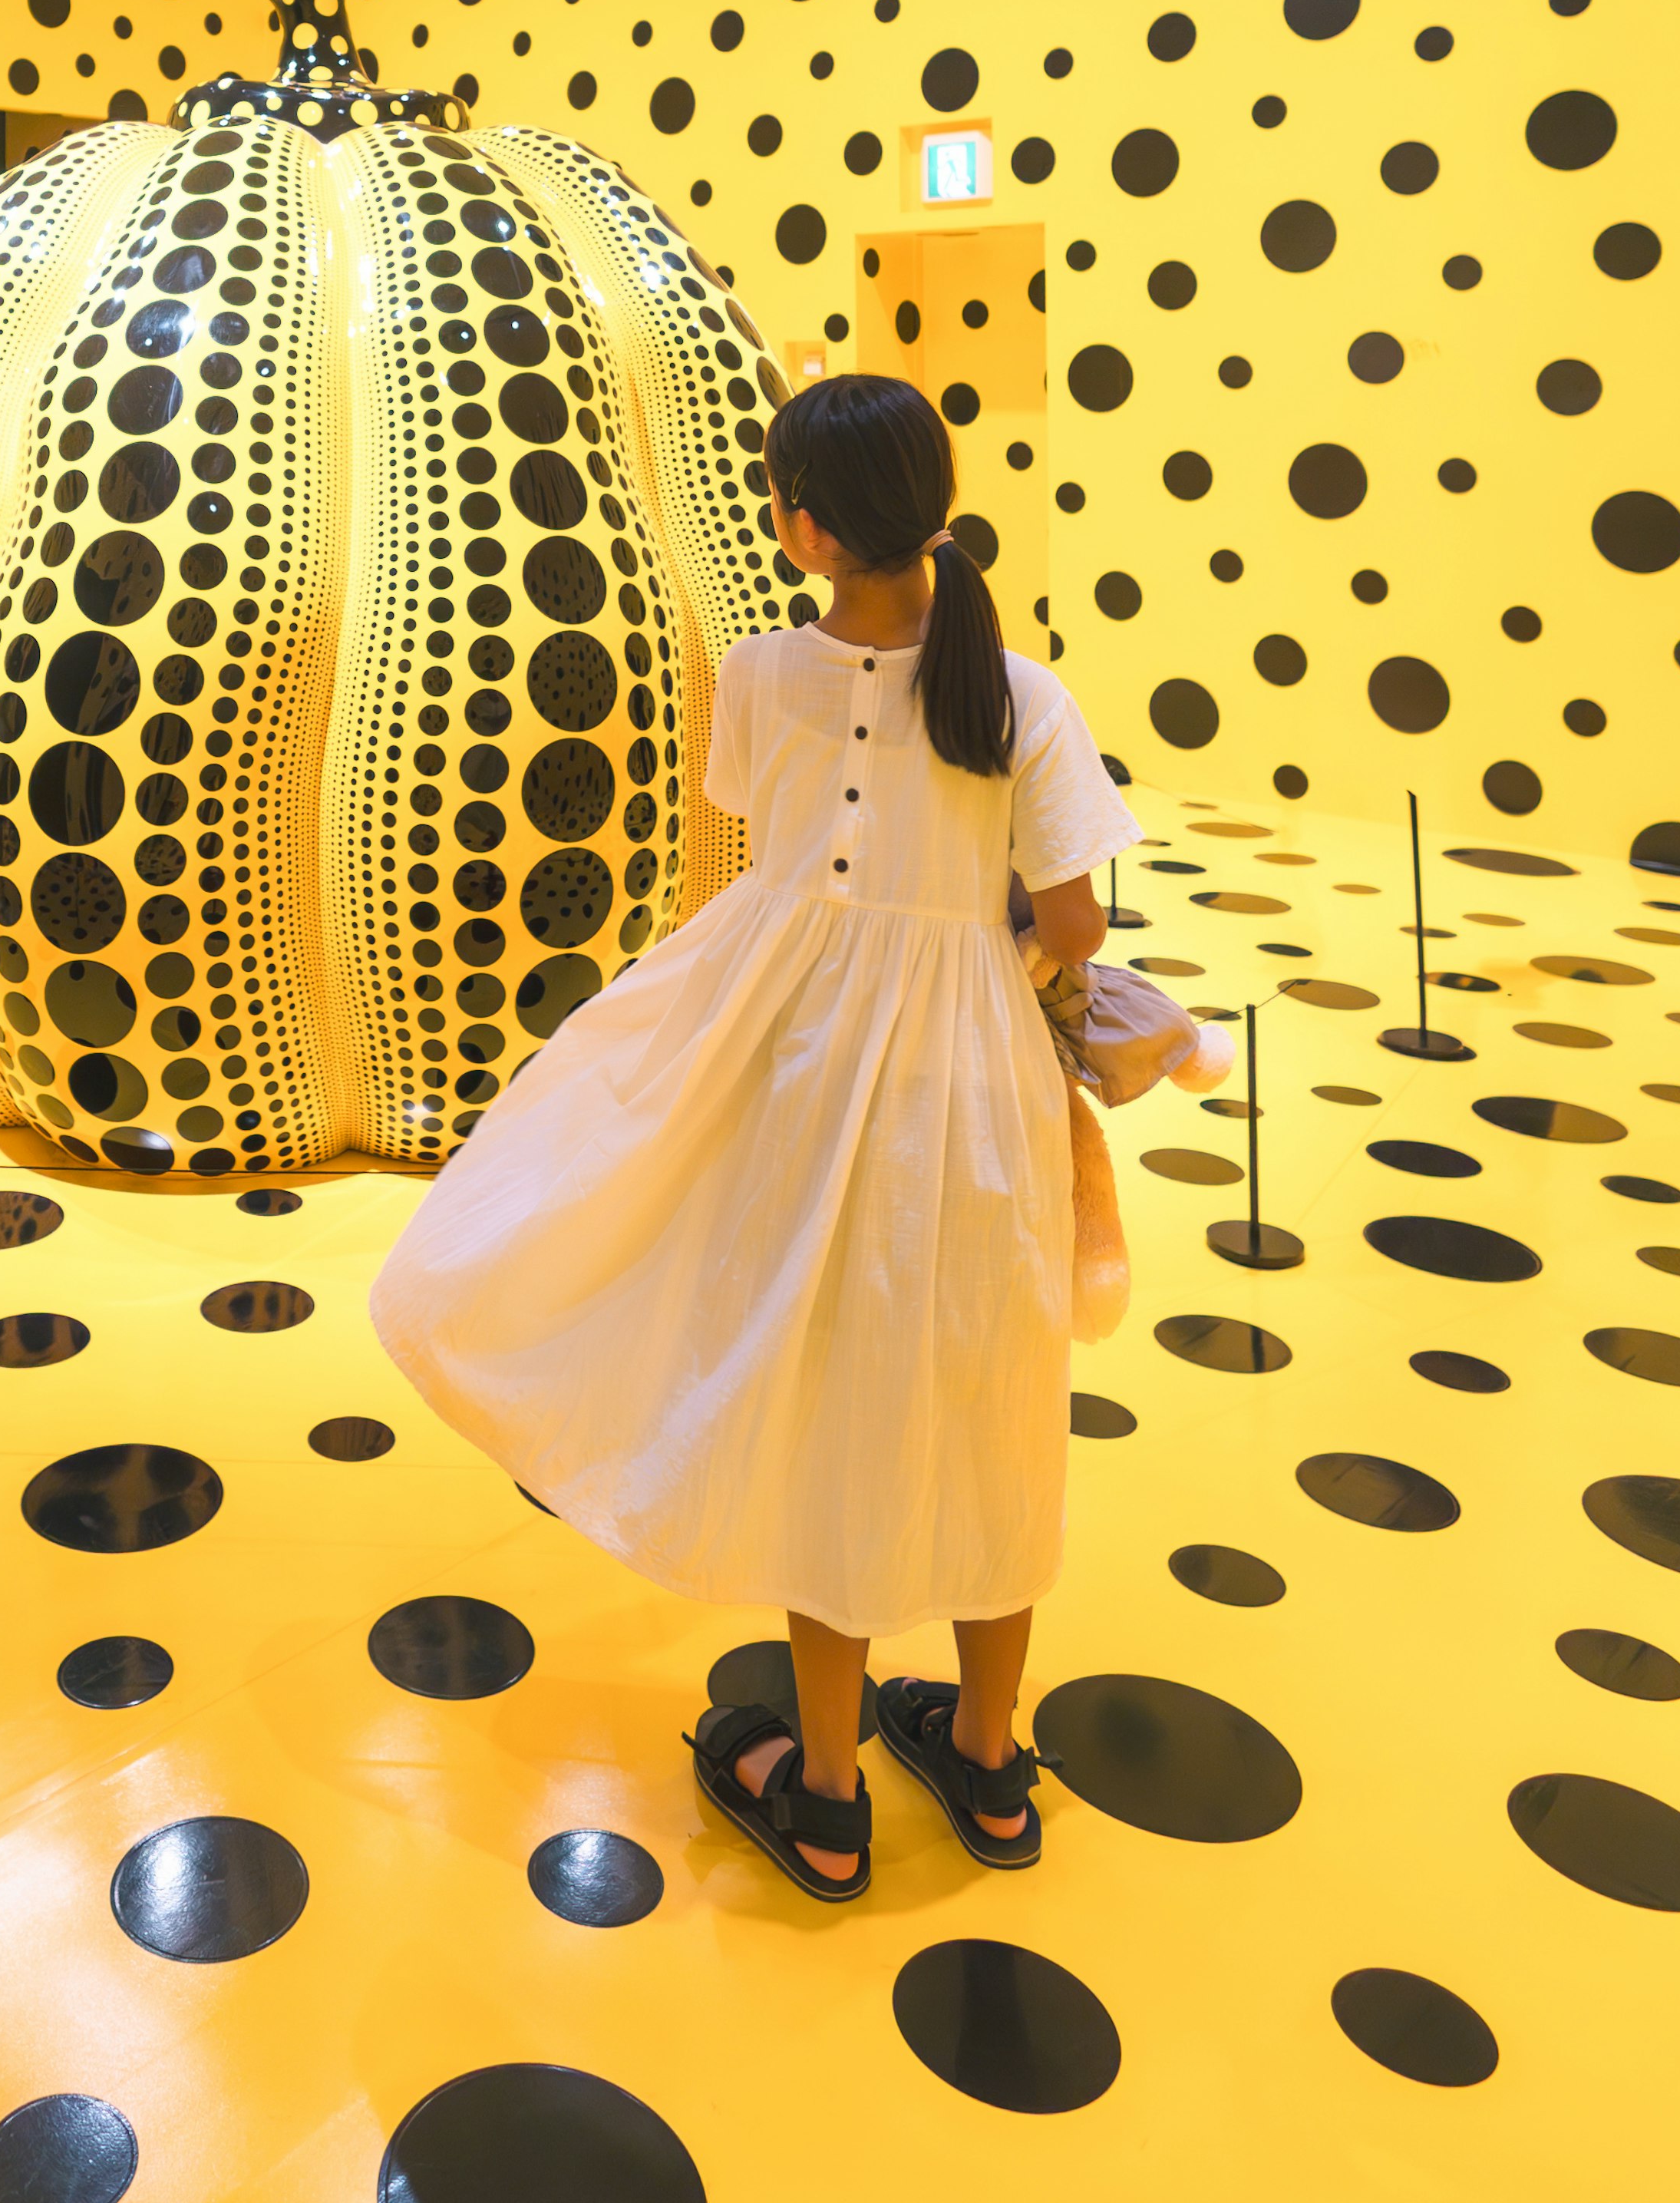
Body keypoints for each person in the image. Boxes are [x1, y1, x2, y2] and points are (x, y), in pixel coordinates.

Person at [370, 371, 1140, 1901]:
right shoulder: (1026, 693)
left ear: (801, 525)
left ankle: (831, 1794)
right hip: (973, 1084)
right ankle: (989, 1769)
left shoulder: (761, 674)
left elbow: (769, 854)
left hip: (787, 1060)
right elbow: (1074, 923)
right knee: (993, 1398)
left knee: (820, 1400)